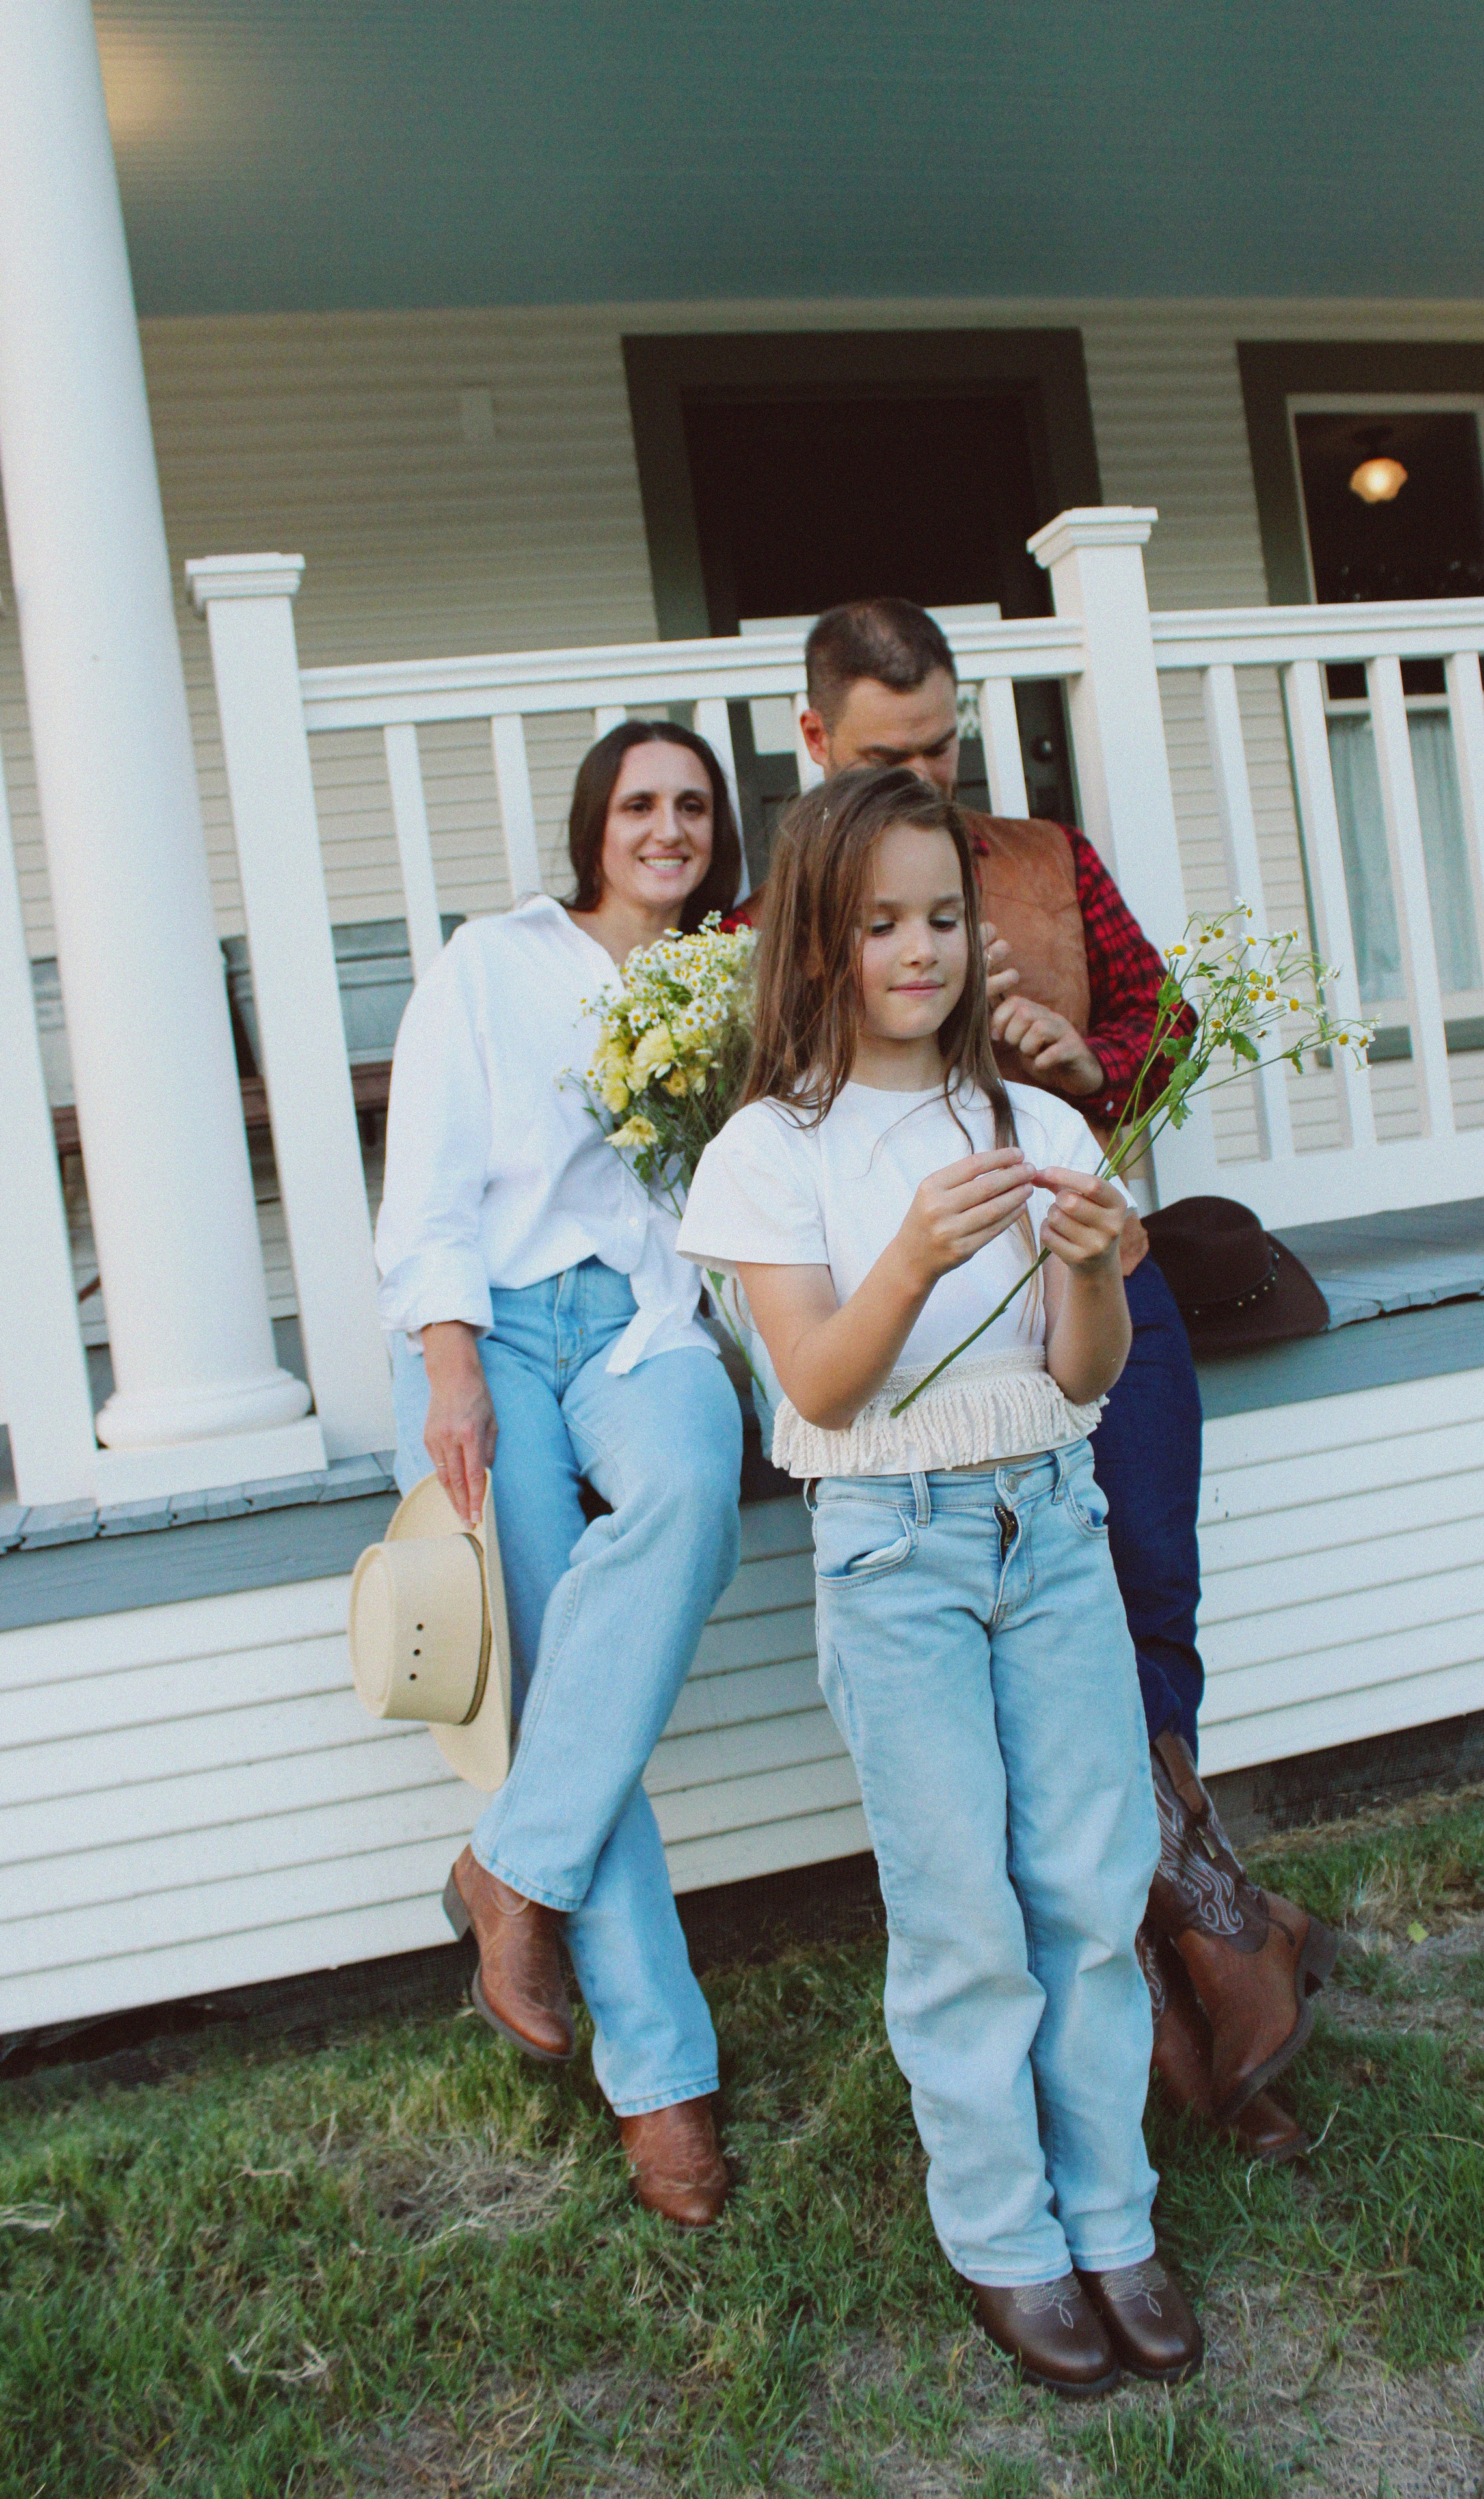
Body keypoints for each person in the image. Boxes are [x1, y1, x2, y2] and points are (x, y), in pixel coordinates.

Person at [791, 599, 1336, 2163]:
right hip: (930, 1364)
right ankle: (1195, 1959)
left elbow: (1164, 1031)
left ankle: (1203, 1943)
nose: (928, 778)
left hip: (1104, 1287)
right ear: (816, 742)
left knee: (1146, 1596)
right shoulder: (788, 914)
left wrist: (1089, 1071)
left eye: (943, 744)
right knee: (1038, 1674)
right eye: (888, 753)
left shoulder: (1041, 861)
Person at [681, 767, 1202, 2397]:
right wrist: (907, 1252)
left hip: (1048, 1531)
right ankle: (1003, 2233)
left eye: (943, 919)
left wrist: (1091, 1269)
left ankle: (1112, 2214)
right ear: (819, 945)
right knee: (964, 1913)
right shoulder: (774, 1151)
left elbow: (1079, 1373)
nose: (920, 951)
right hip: (893, 1554)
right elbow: (819, 1391)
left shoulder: (1034, 1121)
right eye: (881, 923)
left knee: (1087, 1883)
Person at [375, 720, 746, 2226]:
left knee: (685, 1503)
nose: (666, 828)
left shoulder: (732, 984)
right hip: (509, 1332)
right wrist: (450, 1365)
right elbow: (430, 1179)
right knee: (560, 1670)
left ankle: (509, 1871)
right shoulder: (495, 963)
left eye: (694, 807)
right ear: (596, 823)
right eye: (642, 804)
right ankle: (662, 2088)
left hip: (650, 1323)